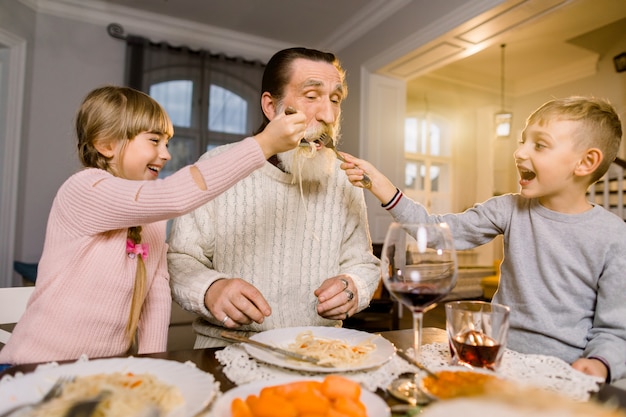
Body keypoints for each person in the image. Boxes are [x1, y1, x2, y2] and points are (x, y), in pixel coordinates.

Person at [0, 85, 304, 366]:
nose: (166, 153)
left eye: (167, 142)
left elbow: (156, 296)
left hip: (103, 372)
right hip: (31, 367)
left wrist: (153, 365)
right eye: (154, 140)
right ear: (105, 143)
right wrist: (263, 144)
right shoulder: (84, 189)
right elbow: (174, 195)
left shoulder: (153, 217)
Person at [340, 96, 626, 383]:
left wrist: (600, 364)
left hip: (565, 374)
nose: (519, 152)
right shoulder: (509, 209)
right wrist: (383, 187)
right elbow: (435, 231)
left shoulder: (614, 236)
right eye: (522, 141)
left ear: (586, 162)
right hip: (497, 361)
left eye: (539, 145)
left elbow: (615, 329)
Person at [167, 47, 381, 348]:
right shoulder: (215, 164)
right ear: (271, 107)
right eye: (311, 96)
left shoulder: (345, 178)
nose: (328, 115)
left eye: (335, 99)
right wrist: (210, 289)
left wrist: (353, 287)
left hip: (320, 351)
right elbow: (180, 258)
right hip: (228, 349)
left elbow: (364, 263)